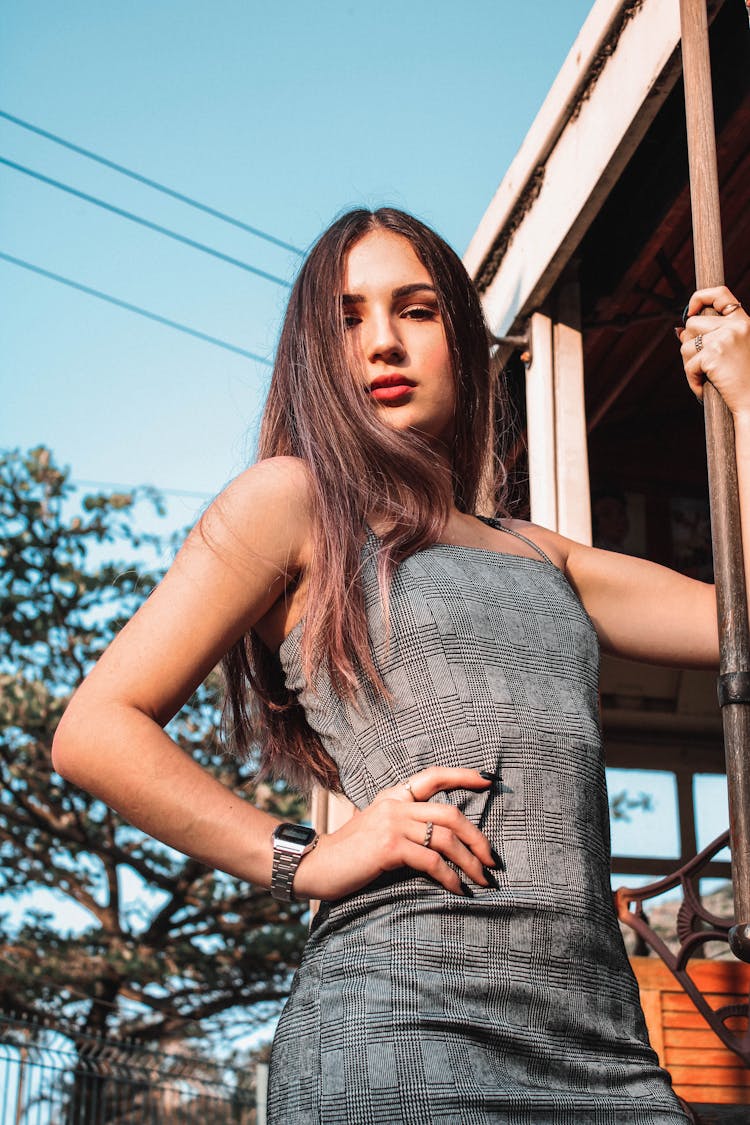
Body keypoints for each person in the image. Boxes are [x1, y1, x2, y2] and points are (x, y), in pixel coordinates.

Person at [52, 207, 749, 1124]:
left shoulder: (548, 557)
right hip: (398, 1026)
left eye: (416, 310)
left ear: (460, 339)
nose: (383, 342)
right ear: (315, 353)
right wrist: (305, 858)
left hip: (605, 1050)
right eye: (348, 318)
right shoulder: (290, 502)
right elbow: (94, 729)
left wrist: (744, 398)